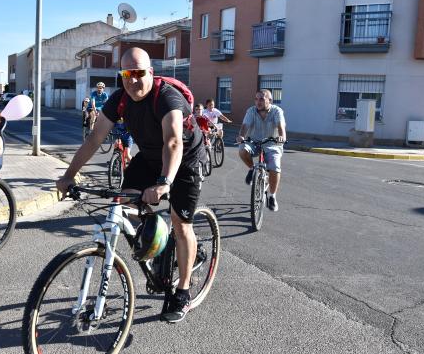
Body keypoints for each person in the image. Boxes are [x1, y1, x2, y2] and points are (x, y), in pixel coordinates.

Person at [57, 47, 205, 323]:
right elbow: (94, 139)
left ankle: (183, 290)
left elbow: (173, 142)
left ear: (150, 72)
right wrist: (69, 175)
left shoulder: (166, 98)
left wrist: (164, 183)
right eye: (127, 74)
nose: (133, 80)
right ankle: (160, 241)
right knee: (124, 202)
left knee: (181, 223)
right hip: (149, 156)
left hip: (184, 159)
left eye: (138, 73)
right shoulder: (119, 99)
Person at [236, 89, 286, 211]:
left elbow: (281, 127)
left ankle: (272, 196)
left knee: (274, 166)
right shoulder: (251, 111)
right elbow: (245, 126)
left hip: (272, 144)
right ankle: (252, 169)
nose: (258, 102)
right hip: (254, 142)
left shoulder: (276, 111)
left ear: (270, 100)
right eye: (256, 99)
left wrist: (282, 137)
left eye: (262, 99)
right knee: (243, 150)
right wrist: (241, 136)